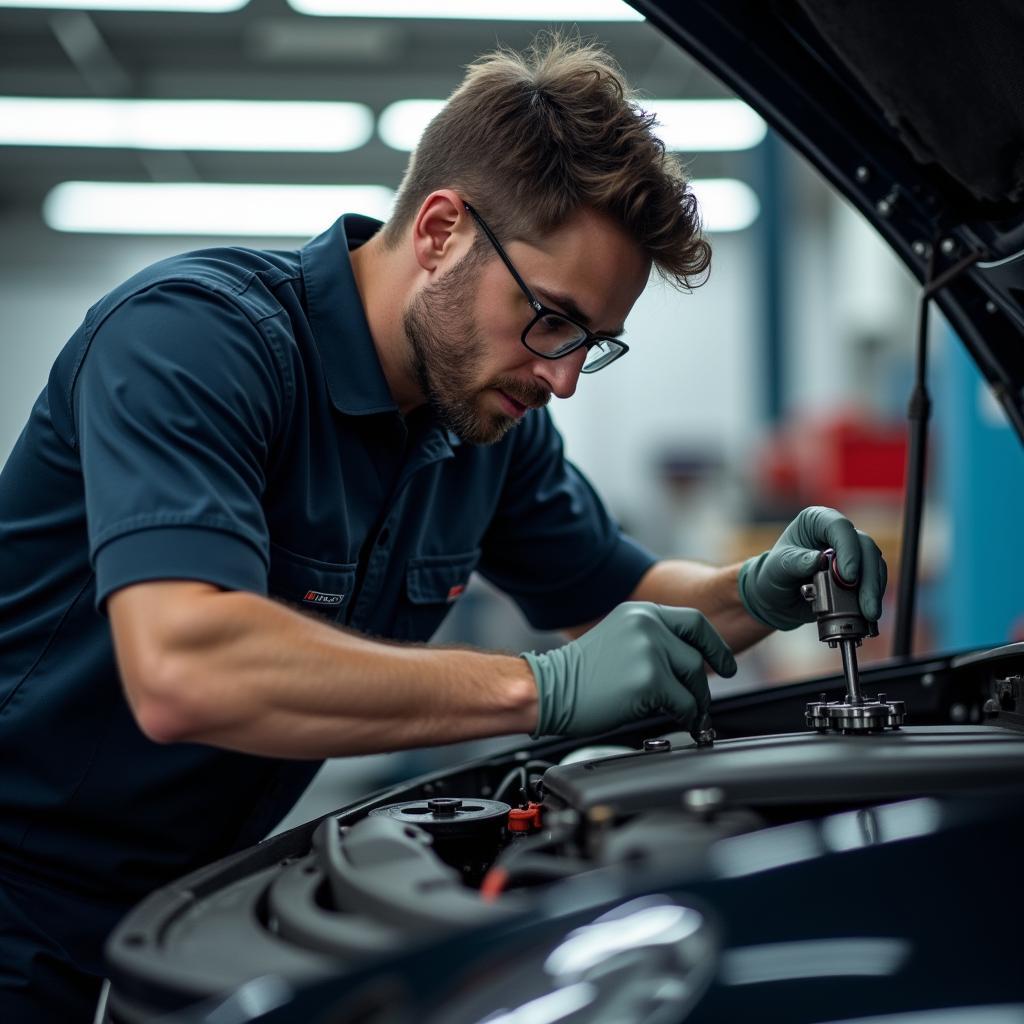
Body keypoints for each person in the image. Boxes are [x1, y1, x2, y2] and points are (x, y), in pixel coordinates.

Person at [0, 34, 886, 1021]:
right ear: (438, 230)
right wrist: (536, 690)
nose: (559, 377)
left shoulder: (481, 426)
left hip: (194, 905)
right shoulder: (191, 344)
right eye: (549, 318)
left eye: (592, 344)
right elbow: (183, 667)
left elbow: (624, 610)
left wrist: (761, 589)